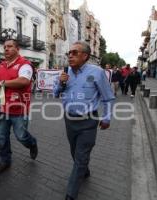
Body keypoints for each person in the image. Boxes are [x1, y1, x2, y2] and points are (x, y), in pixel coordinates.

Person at [53, 41, 115, 200]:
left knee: (80, 156)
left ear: (85, 56)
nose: (70, 56)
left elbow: (108, 98)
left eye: (75, 52)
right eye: (69, 53)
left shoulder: (97, 72)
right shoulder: (65, 73)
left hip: (89, 121)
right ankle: (84, 170)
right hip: (69, 120)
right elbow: (55, 93)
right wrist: (61, 83)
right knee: (75, 152)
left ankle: (71, 193)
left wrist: (107, 117)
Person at [0, 38, 38, 175]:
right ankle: (5, 160)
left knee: (21, 136)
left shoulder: (25, 64)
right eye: (4, 47)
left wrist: (1, 83)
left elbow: (24, 81)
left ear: (17, 49)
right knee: (1, 138)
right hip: (2, 108)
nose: (6, 49)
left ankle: (32, 143)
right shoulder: (1, 65)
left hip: (19, 110)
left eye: (10, 46)